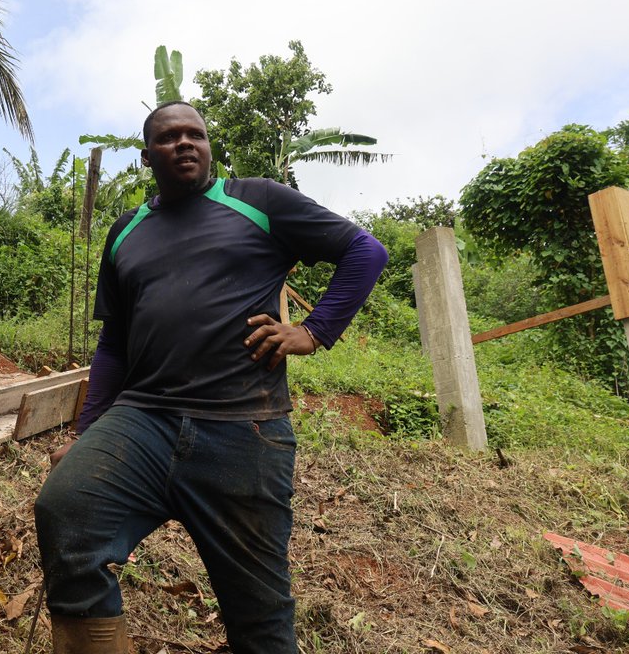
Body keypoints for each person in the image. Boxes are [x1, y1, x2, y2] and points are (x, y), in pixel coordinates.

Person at [33, 101, 388, 654]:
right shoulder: (126, 231)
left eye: (194, 134)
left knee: (260, 614)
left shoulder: (258, 201)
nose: (184, 143)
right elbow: (113, 345)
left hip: (243, 428)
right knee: (66, 511)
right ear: (148, 156)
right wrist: (86, 436)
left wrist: (314, 331)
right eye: (169, 137)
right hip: (142, 419)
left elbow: (364, 250)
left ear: (208, 144)